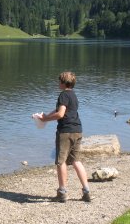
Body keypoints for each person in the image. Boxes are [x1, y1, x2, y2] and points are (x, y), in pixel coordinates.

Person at [36, 71, 91, 202]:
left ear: (62, 83)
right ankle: (86, 191)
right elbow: (60, 110)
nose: (57, 83)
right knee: (76, 161)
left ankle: (62, 192)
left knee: (61, 162)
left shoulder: (63, 95)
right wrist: (46, 116)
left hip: (65, 131)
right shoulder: (73, 96)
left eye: (58, 81)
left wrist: (45, 120)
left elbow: (60, 114)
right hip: (77, 130)